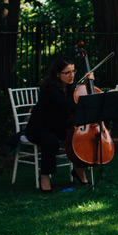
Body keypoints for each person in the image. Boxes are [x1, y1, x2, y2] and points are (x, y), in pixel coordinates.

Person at [25, 57, 93, 192]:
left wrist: (88, 82)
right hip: (39, 128)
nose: (71, 75)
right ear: (57, 74)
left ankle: (79, 169)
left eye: (73, 71)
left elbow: (77, 95)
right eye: (67, 73)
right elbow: (67, 104)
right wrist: (87, 108)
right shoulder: (50, 89)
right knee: (51, 142)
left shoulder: (69, 87)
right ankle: (44, 176)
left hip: (57, 126)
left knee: (79, 138)